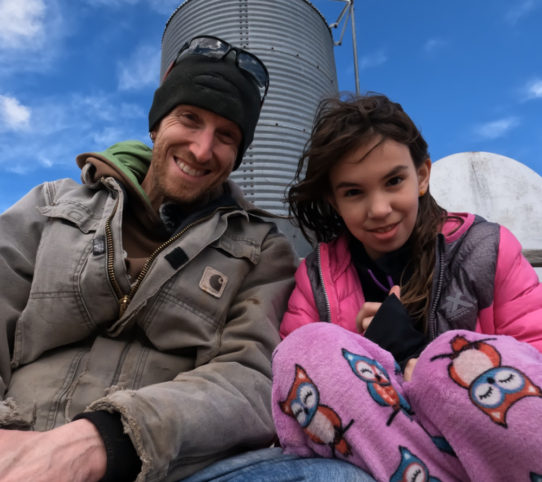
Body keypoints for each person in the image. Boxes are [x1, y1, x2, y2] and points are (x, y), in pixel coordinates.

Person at [0, 33, 308, 482]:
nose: (202, 150)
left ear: (237, 156)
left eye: (226, 136)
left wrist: (103, 442)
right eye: (190, 118)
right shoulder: (50, 206)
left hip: (160, 466)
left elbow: (253, 380)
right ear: (157, 122)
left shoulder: (262, 248)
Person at [271, 93, 542, 481]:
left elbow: (533, 366)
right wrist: (367, 351)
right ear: (333, 200)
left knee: (449, 360)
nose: (379, 208)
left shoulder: (488, 250)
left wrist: (418, 353)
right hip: (380, 457)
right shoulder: (317, 277)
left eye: (394, 181)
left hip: (493, 448)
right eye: (354, 192)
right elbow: (295, 395)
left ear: (423, 175)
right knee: (305, 347)